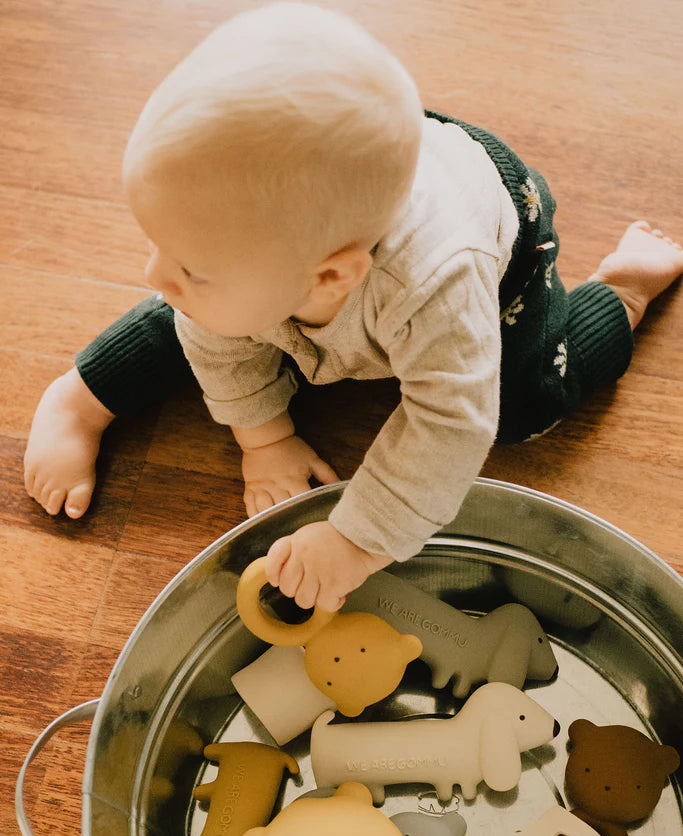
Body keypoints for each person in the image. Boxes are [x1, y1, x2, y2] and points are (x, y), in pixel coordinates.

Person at [23, 2, 683, 612]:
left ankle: (619, 291)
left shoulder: (439, 288)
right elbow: (205, 327)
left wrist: (357, 542)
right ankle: (82, 398)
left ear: (332, 274)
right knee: (204, 310)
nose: (151, 271)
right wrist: (265, 440)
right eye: (156, 243)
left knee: (521, 404)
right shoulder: (267, 240)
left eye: (186, 261)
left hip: (499, 246)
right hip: (337, 208)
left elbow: (448, 426)